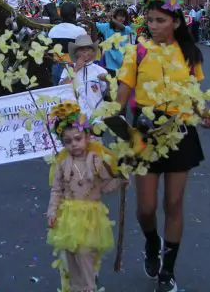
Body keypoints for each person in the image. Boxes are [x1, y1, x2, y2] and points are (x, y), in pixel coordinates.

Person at [115, 0, 205, 292]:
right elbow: (121, 96)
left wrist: (204, 114)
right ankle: (152, 243)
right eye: (150, 20)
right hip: (144, 132)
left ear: (176, 22)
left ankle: (167, 270)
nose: (153, 26)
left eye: (160, 21)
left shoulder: (191, 54)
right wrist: (109, 120)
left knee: (174, 203)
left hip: (180, 132)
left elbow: (194, 97)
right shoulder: (136, 51)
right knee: (147, 208)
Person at [46, 101, 125, 292]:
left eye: (78, 139)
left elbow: (107, 187)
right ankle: (75, 287)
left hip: (90, 217)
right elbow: (56, 190)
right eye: (68, 141)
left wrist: (122, 178)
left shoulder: (97, 162)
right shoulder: (62, 164)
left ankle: (89, 287)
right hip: (69, 217)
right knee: (70, 254)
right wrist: (52, 210)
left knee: (84, 253)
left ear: (87, 137)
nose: (74, 144)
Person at [60, 34, 109, 119]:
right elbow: (61, 89)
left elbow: (106, 93)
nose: (85, 53)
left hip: (97, 117)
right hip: (73, 116)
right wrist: (76, 68)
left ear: (93, 52)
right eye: (82, 50)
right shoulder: (69, 68)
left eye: (88, 49)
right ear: (76, 53)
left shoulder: (101, 70)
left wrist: (109, 82)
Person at [49, 2, 87, 85]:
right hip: (74, 68)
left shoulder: (53, 30)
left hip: (56, 67)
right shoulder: (80, 31)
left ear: (61, 15)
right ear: (74, 14)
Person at [97, 7, 134, 75]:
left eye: (124, 16)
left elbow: (122, 27)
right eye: (120, 16)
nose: (122, 18)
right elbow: (95, 25)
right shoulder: (107, 27)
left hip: (123, 62)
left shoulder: (127, 28)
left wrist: (112, 19)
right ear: (115, 16)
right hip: (109, 64)